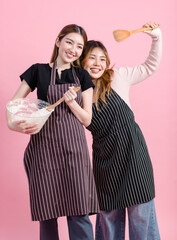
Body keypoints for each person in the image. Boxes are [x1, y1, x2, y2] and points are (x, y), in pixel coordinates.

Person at [6, 24, 99, 240]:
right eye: (69, 42)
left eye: (79, 46)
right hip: (43, 151)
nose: (73, 49)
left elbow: (87, 119)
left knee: (79, 212)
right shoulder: (37, 71)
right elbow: (13, 106)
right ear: (58, 41)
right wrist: (15, 126)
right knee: (47, 213)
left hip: (74, 152)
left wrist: (71, 104)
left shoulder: (82, 76)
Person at [80, 22, 162, 240]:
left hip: (135, 156)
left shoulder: (118, 77)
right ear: (81, 61)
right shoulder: (77, 94)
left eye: (102, 58)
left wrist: (156, 37)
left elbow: (149, 67)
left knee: (142, 218)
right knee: (109, 221)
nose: (98, 63)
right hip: (105, 163)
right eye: (92, 57)